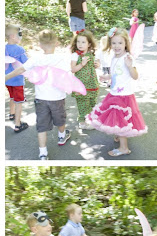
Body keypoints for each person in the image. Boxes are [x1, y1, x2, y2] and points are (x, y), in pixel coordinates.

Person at [5, 30, 72, 160]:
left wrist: (6, 77)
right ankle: (62, 136)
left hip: (41, 99)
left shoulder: (36, 59)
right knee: (60, 119)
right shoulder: (61, 59)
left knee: (42, 126)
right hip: (57, 98)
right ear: (57, 43)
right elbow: (68, 77)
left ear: (40, 45)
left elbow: (20, 69)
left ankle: (43, 153)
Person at [86, 27, 147, 157]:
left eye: (120, 43)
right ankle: (120, 135)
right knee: (118, 119)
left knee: (121, 119)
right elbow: (115, 74)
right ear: (110, 44)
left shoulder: (128, 58)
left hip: (124, 96)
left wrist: (130, 66)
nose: (117, 46)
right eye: (114, 43)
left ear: (126, 43)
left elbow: (135, 76)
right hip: (114, 93)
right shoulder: (114, 57)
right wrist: (107, 77)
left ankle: (124, 148)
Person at [70, 29, 100, 130]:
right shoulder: (75, 55)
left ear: (89, 44)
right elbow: (73, 69)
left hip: (92, 83)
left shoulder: (91, 54)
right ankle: (82, 122)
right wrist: (82, 64)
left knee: (92, 102)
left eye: (83, 42)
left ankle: (90, 119)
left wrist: (97, 65)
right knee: (83, 103)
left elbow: (94, 66)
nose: (80, 44)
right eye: (78, 41)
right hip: (81, 84)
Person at [5, 24, 29, 133]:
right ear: (13, 36)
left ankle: (11, 114)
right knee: (19, 101)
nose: (21, 36)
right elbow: (27, 63)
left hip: (7, 80)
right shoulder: (19, 49)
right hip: (17, 81)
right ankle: (18, 125)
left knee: (12, 96)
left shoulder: (3, 48)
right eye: (20, 34)